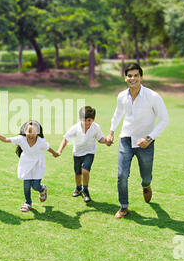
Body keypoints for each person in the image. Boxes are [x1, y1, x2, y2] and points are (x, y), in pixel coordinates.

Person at [106, 63, 169, 219]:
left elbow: (164, 120)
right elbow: (118, 113)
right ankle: (124, 206)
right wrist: (111, 132)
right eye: (129, 76)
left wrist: (149, 138)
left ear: (141, 77)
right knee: (122, 175)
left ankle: (146, 185)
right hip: (126, 139)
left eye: (136, 75)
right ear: (125, 78)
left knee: (146, 176)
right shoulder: (121, 96)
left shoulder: (153, 97)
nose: (132, 78)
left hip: (146, 143)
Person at [0, 120, 59, 212]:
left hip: (38, 164)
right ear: (25, 131)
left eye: (34, 132)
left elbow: (49, 148)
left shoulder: (40, 142)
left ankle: (42, 189)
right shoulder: (21, 139)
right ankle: (28, 203)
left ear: (38, 133)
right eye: (29, 131)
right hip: (26, 163)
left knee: (35, 186)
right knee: (26, 185)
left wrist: (55, 153)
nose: (31, 134)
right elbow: (5, 139)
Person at [57, 106, 109, 202]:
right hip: (77, 153)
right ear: (80, 119)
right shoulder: (75, 128)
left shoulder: (96, 127)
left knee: (85, 171)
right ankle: (78, 187)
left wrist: (106, 141)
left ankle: (85, 189)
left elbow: (100, 139)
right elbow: (65, 139)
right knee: (77, 173)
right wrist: (60, 150)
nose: (87, 123)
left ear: (93, 119)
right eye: (85, 120)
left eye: (89, 120)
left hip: (89, 152)